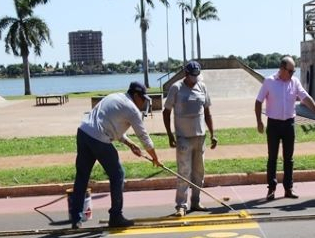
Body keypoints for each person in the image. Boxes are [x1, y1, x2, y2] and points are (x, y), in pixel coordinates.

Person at [71, 81, 162, 228]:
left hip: (83, 133)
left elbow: (109, 125)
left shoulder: (115, 97)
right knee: (118, 174)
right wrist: (155, 158)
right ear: (135, 95)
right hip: (98, 138)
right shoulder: (132, 109)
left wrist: (130, 144)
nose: (144, 101)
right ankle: (116, 216)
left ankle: (76, 219)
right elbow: (143, 136)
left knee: (82, 176)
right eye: (143, 98)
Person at [255, 56, 315, 200]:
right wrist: (259, 122)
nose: (293, 74)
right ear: (282, 69)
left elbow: (305, 98)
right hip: (274, 124)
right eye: (291, 71)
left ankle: (288, 188)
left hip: (289, 124)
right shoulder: (269, 82)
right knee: (272, 157)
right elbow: (258, 102)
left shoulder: (294, 82)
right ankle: (271, 188)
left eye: (294, 71)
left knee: (289, 158)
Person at [163, 60, 217, 217]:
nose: (195, 78)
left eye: (197, 75)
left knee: (199, 172)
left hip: (200, 137)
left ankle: (196, 201)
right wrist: (170, 135)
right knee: (184, 172)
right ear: (185, 74)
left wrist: (213, 134)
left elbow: (207, 112)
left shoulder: (202, 87)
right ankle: (181, 204)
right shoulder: (176, 88)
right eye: (192, 75)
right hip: (183, 138)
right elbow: (166, 112)